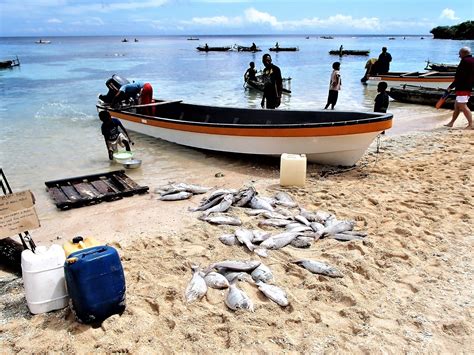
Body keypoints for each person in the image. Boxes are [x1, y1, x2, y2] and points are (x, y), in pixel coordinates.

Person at [444, 46, 474, 129]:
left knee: (462, 105)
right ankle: (451, 123)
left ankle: (471, 124)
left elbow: (459, 77)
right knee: (457, 106)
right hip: (468, 86)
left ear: (464, 53)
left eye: (460, 54)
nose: (459, 56)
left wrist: (451, 86)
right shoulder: (472, 60)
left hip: (463, 87)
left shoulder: (464, 61)